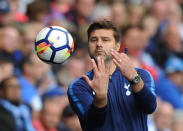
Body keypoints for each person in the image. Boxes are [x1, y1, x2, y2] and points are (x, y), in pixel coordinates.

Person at [67, 20, 157, 131]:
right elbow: (92, 123)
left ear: (117, 46)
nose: (99, 44)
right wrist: (100, 97)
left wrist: (134, 78)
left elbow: (150, 107)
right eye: (94, 40)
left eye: (105, 40)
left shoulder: (142, 75)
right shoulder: (79, 86)